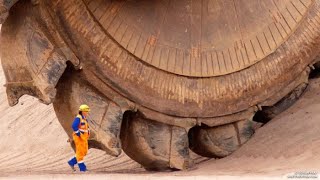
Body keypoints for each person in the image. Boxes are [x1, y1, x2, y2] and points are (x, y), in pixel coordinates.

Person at [67, 104, 91, 172]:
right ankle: (83, 169)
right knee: (80, 153)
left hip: (84, 138)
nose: (88, 113)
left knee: (84, 152)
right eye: (87, 111)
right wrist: (78, 134)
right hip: (79, 138)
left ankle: (71, 162)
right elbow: (74, 126)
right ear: (83, 111)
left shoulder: (84, 119)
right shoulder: (79, 118)